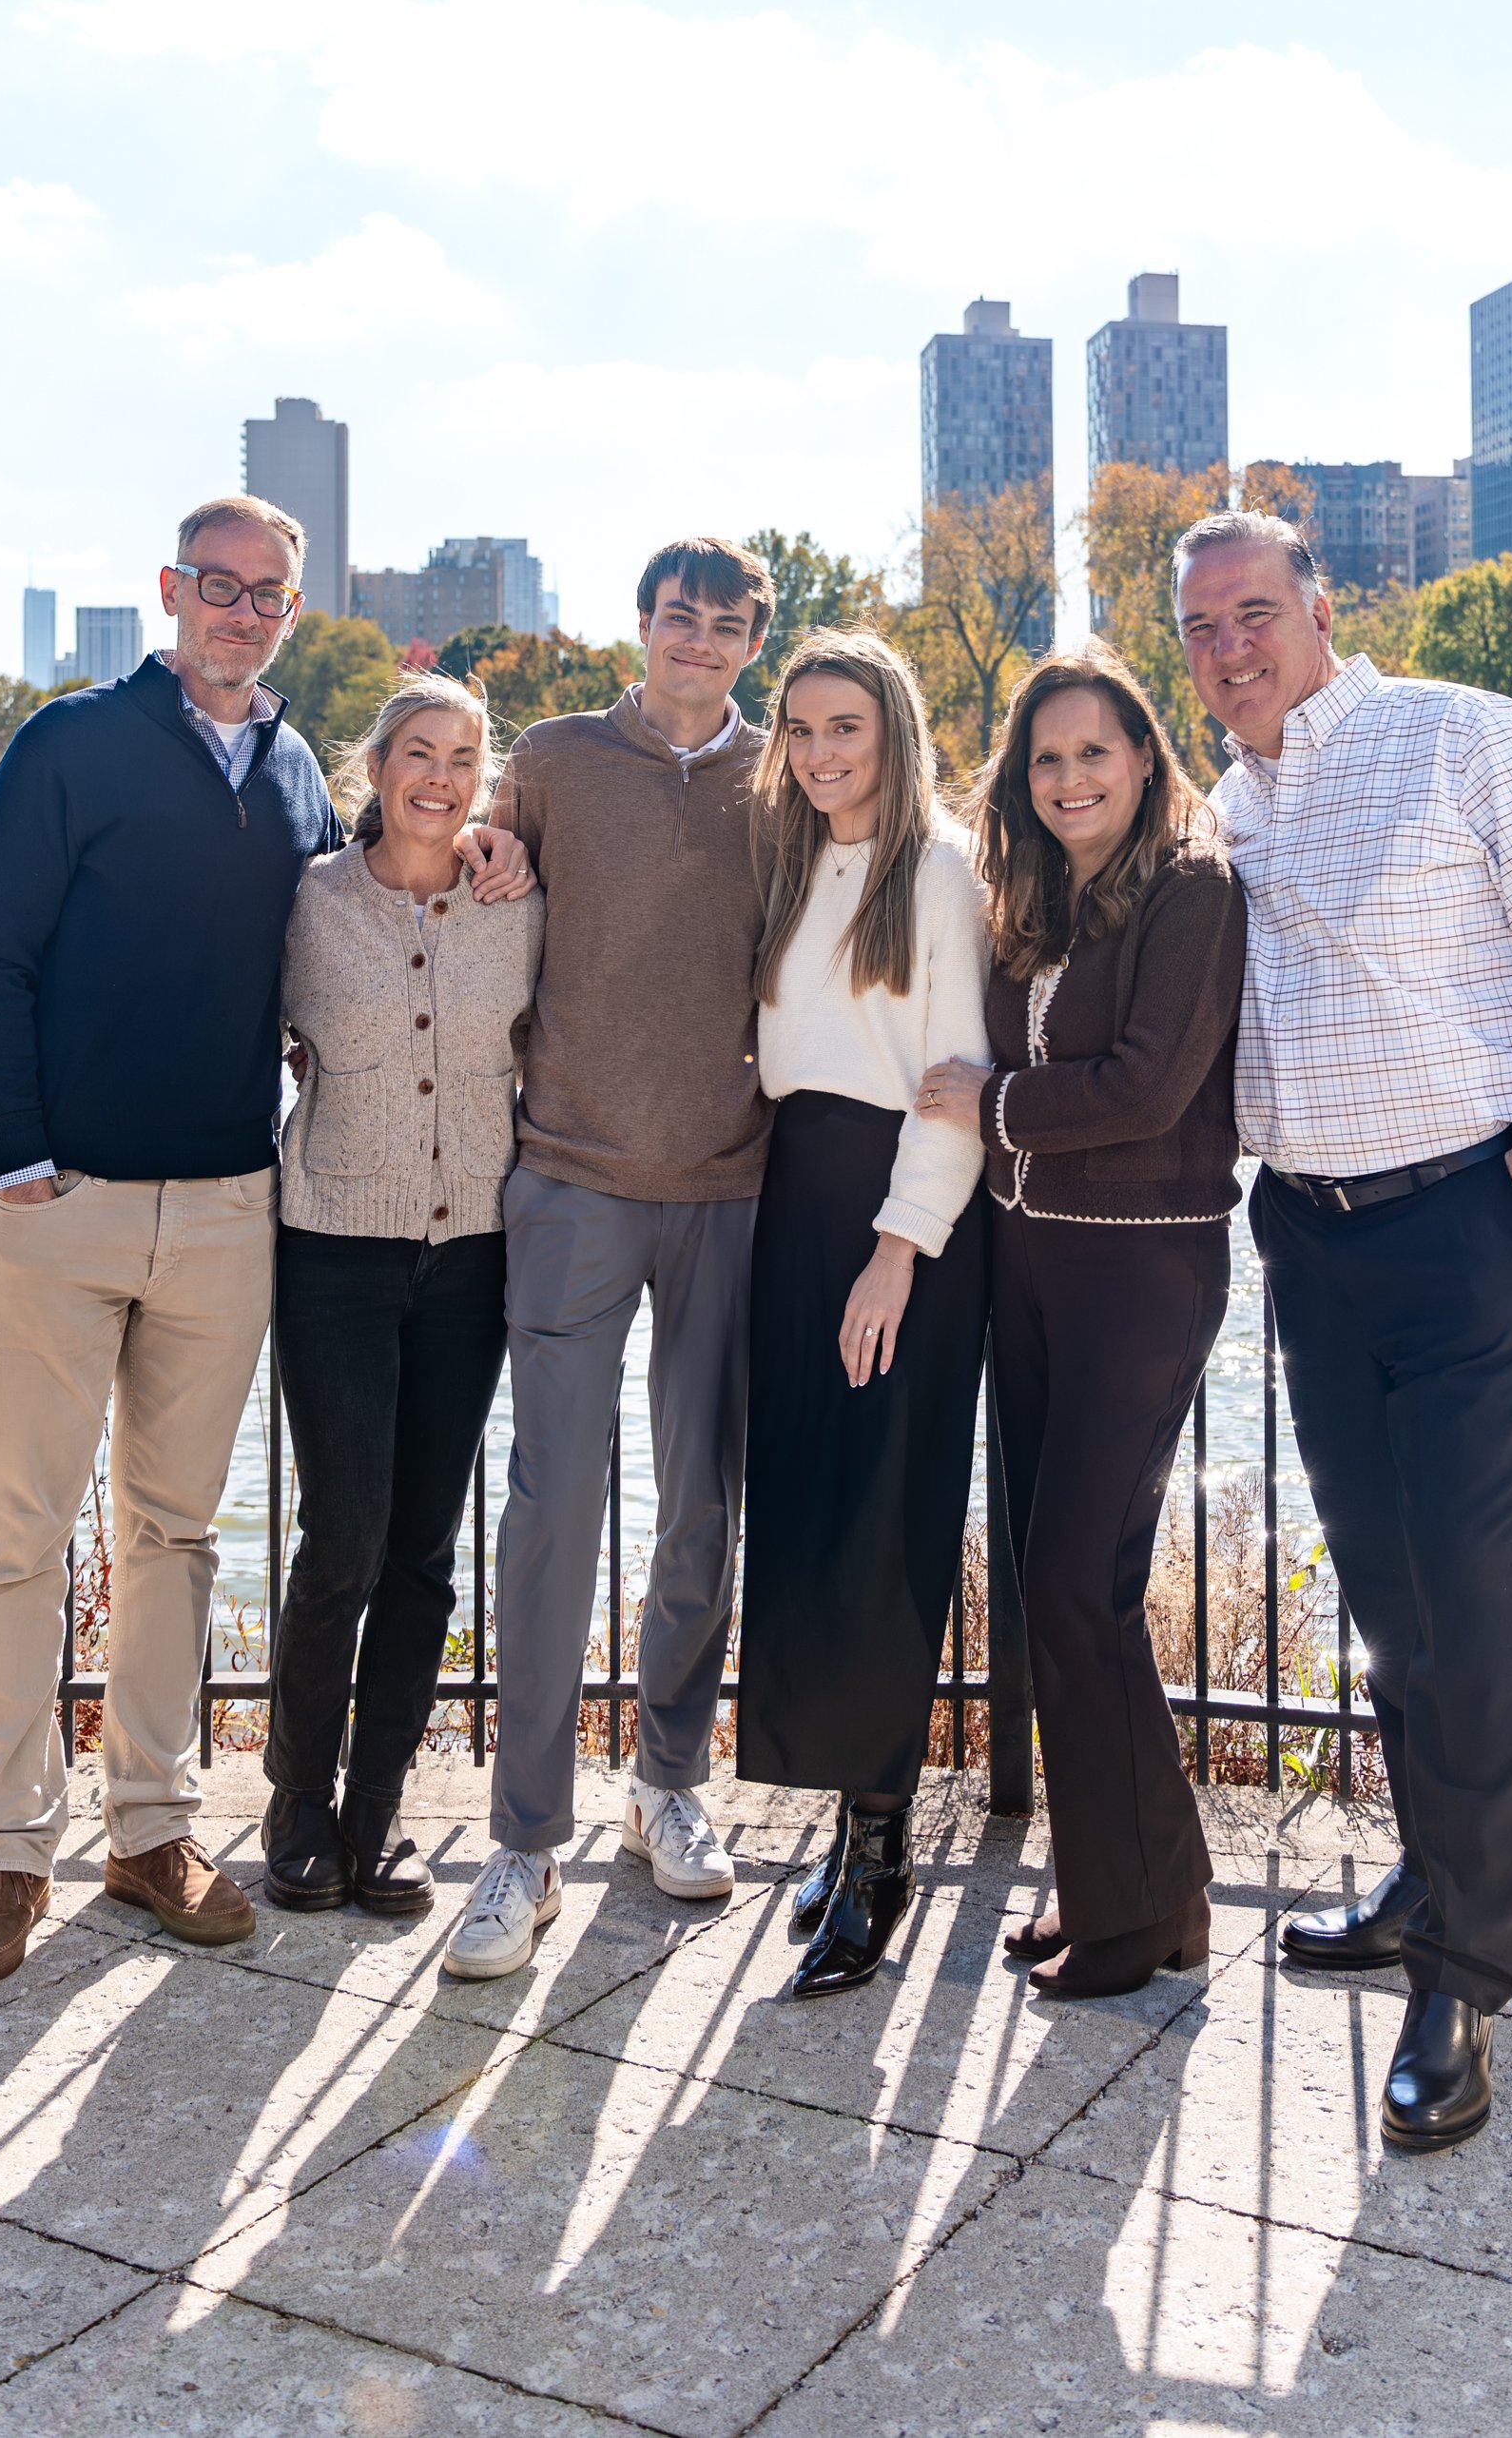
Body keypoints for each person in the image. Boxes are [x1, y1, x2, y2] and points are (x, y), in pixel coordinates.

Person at [0, 493, 531, 1990]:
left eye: (269, 593)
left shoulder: (288, 778)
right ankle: (11, 1853)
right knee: (19, 1539)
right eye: (221, 586)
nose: (244, 612)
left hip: (223, 1213)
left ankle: (150, 1830)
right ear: (172, 591)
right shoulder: (67, 744)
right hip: (55, 1209)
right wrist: (19, 1154)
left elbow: (382, 905)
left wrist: (500, 850)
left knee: (174, 1538)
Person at [1174, 507, 1512, 2151]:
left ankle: (1465, 1978)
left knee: (1469, 1601)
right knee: (1388, 1593)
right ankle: (1431, 1876)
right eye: (1202, 629)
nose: (1229, 648)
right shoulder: (1227, 806)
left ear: (1320, 608)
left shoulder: (1462, 733)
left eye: (1253, 612)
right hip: (1312, 1241)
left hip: (1472, 1233)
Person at [443, 535, 777, 1981]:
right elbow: (468, 862)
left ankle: (667, 1785)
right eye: (675, 616)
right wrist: (482, 842)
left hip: (730, 1185)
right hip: (570, 1181)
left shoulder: (790, 776)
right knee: (549, 1509)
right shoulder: (556, 759)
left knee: (703, 1499)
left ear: (754, 641)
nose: (695, 640)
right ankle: (521, 1840)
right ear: (640, 627)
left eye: (724, 624)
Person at [921, 640, 1246, 1999]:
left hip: (1145, 1274)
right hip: (1030, 1268)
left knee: (1077, 1584)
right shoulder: (1034, 895)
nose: (1068, 778)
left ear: (1143, 756)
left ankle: (1144, 1905)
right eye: (1045, 757)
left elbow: (1149, 1087)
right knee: (1060, 1594)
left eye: (1093, 752)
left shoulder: (1193, 889)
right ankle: (1134, 1888)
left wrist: (985, 1107)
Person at [262, 674, 544, 1919]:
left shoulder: (517, 899)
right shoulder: (309, 904)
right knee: (343, 1542)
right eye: (418, 752)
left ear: (486, 776)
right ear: (375, 767)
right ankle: (296, 1802)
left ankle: (378, 1815)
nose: (440, 775)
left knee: (426, 1551)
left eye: (464, 757)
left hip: (472, 1258)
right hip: (333, 1252)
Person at [736, 632, 991, 1996]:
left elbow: (960, 1075)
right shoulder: (791, 865)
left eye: (847, 727)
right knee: (811, 1519)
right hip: (793, 1209)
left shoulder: (939, 873)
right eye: (800, 730)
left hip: (896, 1225)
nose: (821, 753)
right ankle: (846, 1829)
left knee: (883, 1517)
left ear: (893, 729)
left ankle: (884, 1851)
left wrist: (898, 1251)